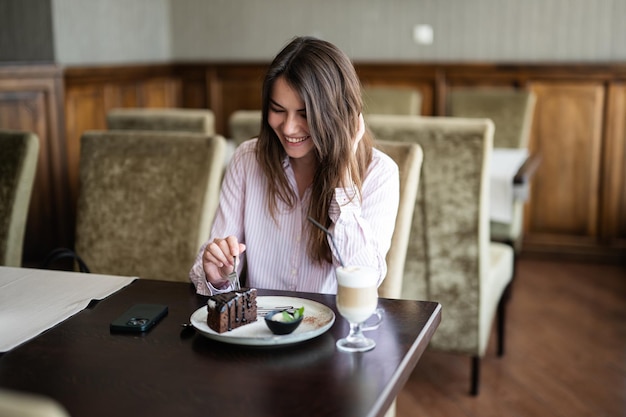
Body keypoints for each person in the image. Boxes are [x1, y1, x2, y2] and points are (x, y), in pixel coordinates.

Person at [189, 36, 399, 295]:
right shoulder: (247, 160)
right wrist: (218, 275)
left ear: (337, 114)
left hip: (333, 330)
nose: (288, 128)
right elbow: (214, 266)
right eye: (278, 110)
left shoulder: (379, 173)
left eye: (304, 114)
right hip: (259, 330)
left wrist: (343, 180)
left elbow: (365, 278)